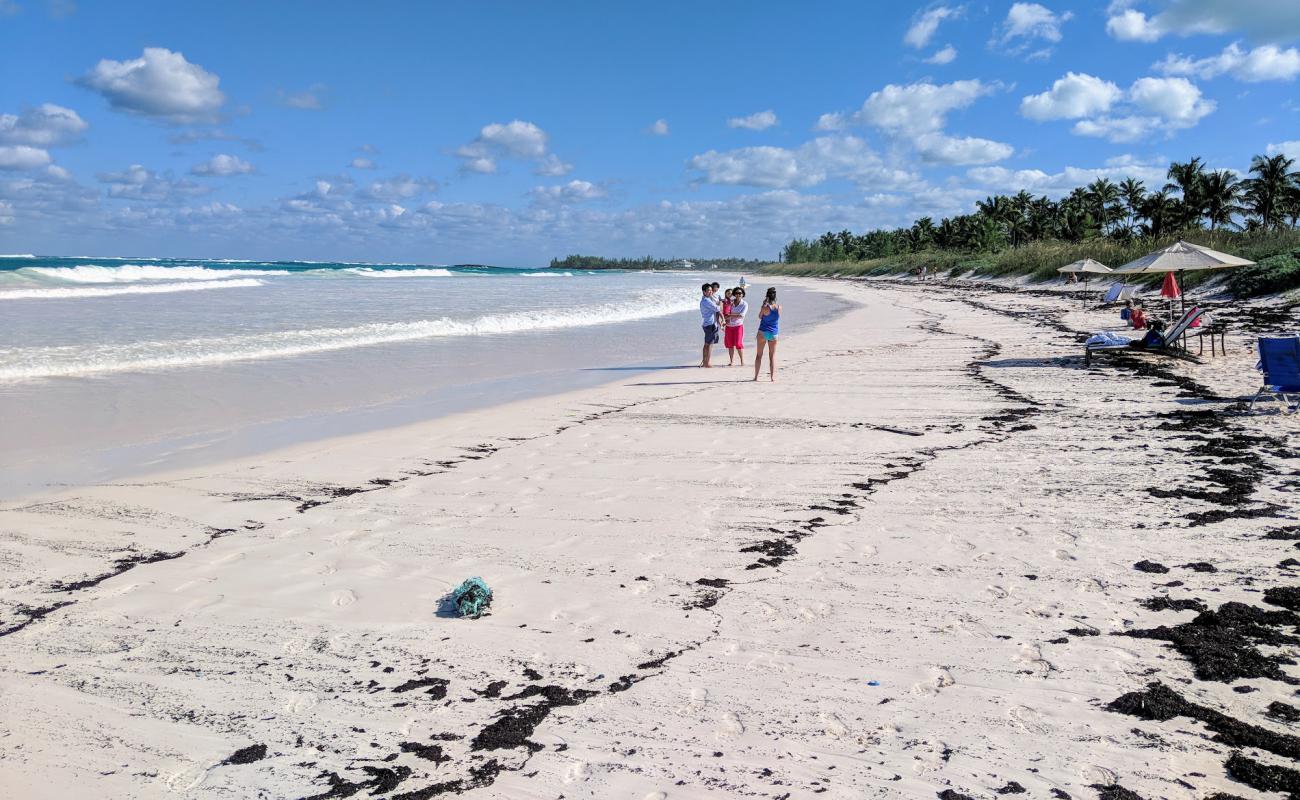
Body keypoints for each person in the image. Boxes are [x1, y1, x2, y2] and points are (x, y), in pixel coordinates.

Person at [753, 287, 780, 382]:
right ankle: (772, 377)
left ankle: (756, 377)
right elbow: (777, 317)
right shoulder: (779, 307)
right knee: (772, 356)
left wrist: (764, 304)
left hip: (763, 332)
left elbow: (760, 316)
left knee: (759, 355)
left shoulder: (764, 307)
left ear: (767, 296)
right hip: (773, 333)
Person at [699, 283, 722, 368]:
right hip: (710, 324)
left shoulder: (705, 299)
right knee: (709, 344)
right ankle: (707, 363)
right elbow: (717, 308)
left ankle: (705, 361)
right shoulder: (706, 301)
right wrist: (720, 303)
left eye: (711, 290)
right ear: (704, 292)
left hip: (707, 323)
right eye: (708, 290)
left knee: (707, 344)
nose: (710, 292)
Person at [725, 286, 747, 366]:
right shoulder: (730, 302)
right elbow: (724, 311)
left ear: (742, 294)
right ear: (734, 294)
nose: (738, 295)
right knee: (730, 344)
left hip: (738, 326)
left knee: (738, 344)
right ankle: (731, 361)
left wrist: (730, 315)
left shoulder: (744, 304)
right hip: (728, 326)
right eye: (736, 293)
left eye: (740, 293)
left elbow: (741, 315)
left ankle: (742, 361)